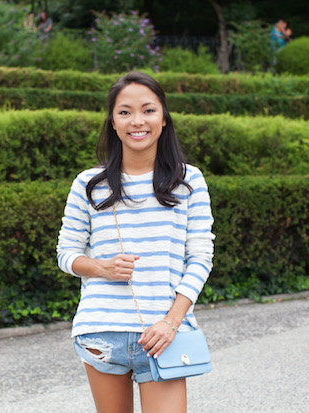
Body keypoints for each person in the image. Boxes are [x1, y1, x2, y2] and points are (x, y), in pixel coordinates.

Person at [56, 72, 215, 412]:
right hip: (102, 330)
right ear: (113, 122)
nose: (137, 121)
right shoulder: (89, 184)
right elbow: (66, 254)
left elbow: (200, 258)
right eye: (125, 112)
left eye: (148, 110)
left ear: (164, 118)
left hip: (164, 334)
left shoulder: (189, 181)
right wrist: (101, 266)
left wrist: (171, 321)